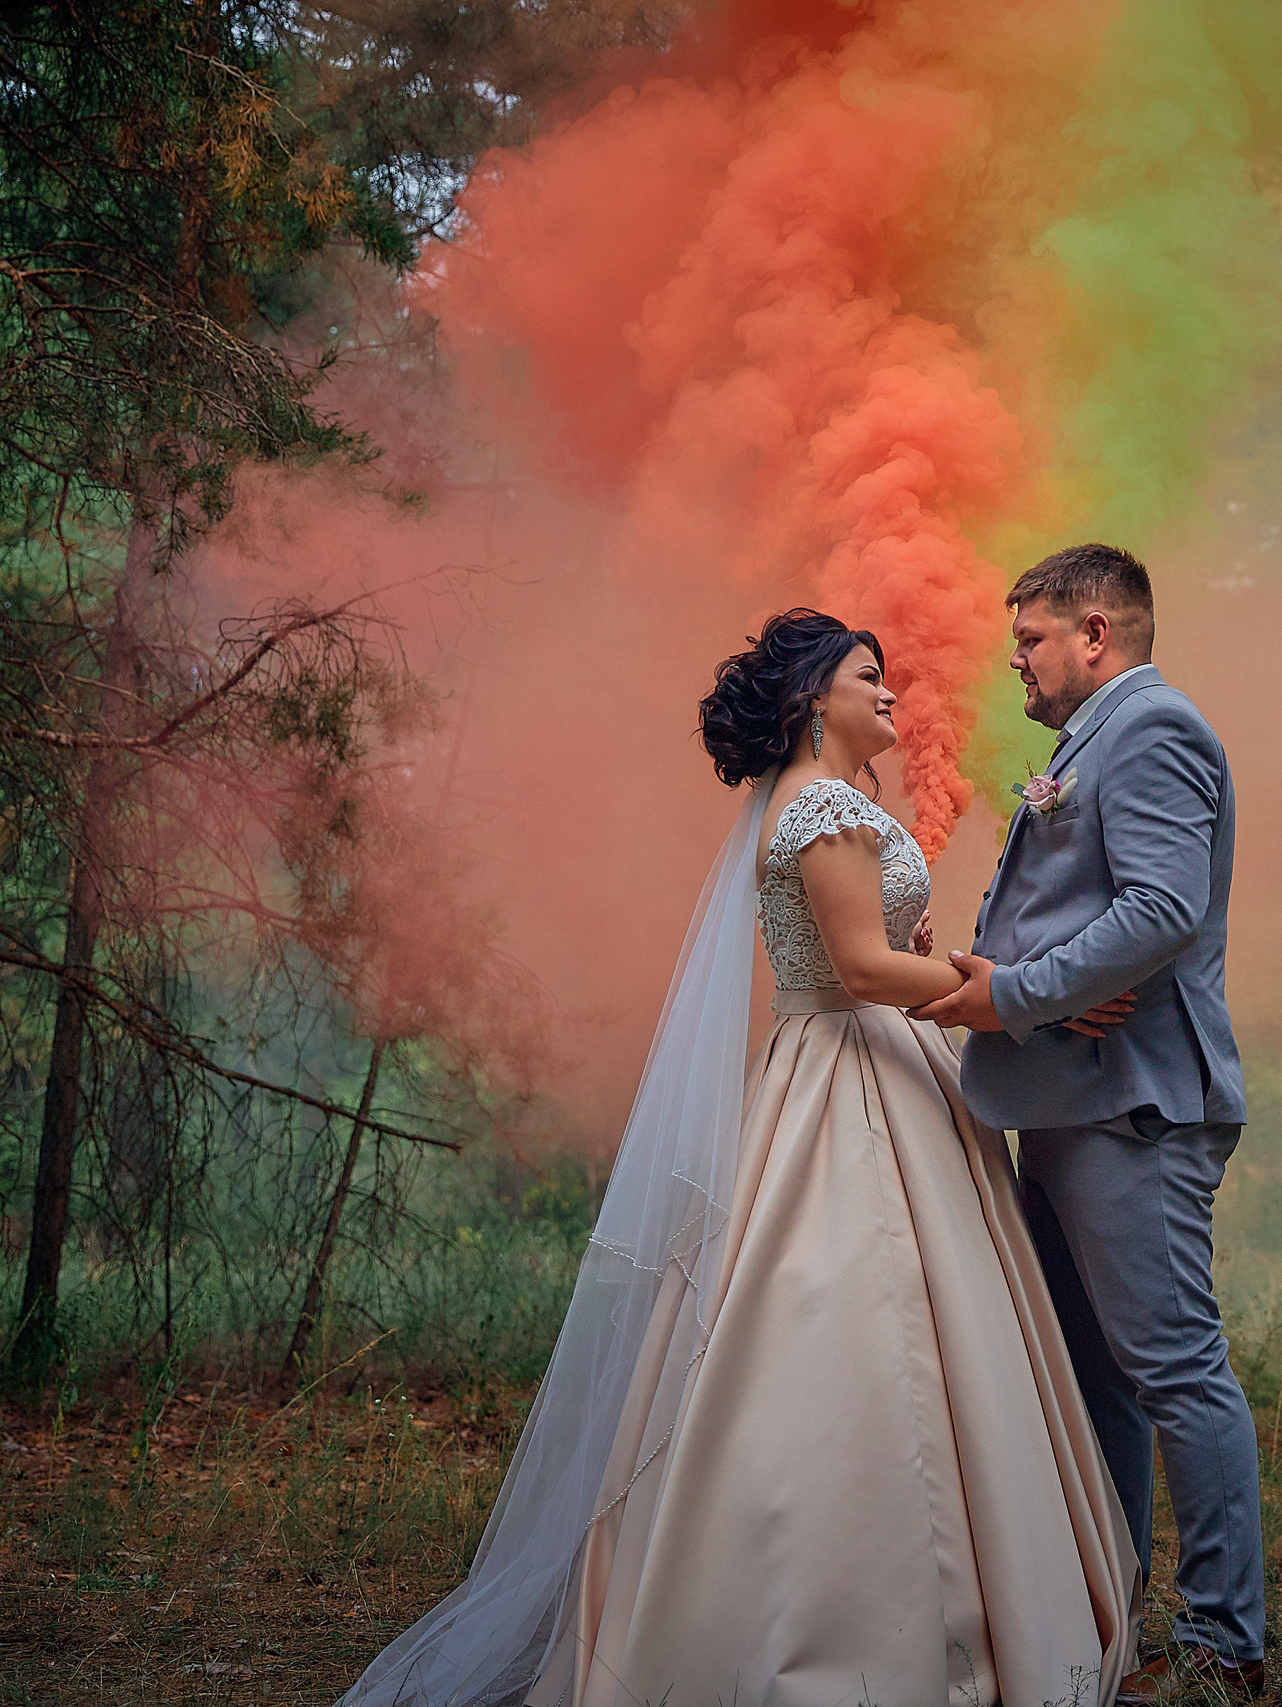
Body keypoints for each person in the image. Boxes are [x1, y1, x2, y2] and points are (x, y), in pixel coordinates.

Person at [344, 609, 1138, 1707]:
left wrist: (941, 968)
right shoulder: (818, 805)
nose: (890, 695)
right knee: (850, 1321)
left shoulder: (833, 804)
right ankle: (857, 1620)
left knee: (887, 1317)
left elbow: (870, 953)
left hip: (877, 1066)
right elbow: (858, 970)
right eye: (871, 678)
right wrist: (1011, 995)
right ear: (817, 697)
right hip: (850, 1072)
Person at [912, 544, 1265, 1704]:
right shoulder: (1089, 744)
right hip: (1069, 1099)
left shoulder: (1153, 728)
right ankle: (1113, 1621)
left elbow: (1162, 907)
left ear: (1096, 634)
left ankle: (1224, 1647)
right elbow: (1088, 912)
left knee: (1171, 1369)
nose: (1015, 659)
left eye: (1029, 638)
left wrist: (1013, 993)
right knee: (1093, 1380)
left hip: (1132, 1106)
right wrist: (1034, 974)